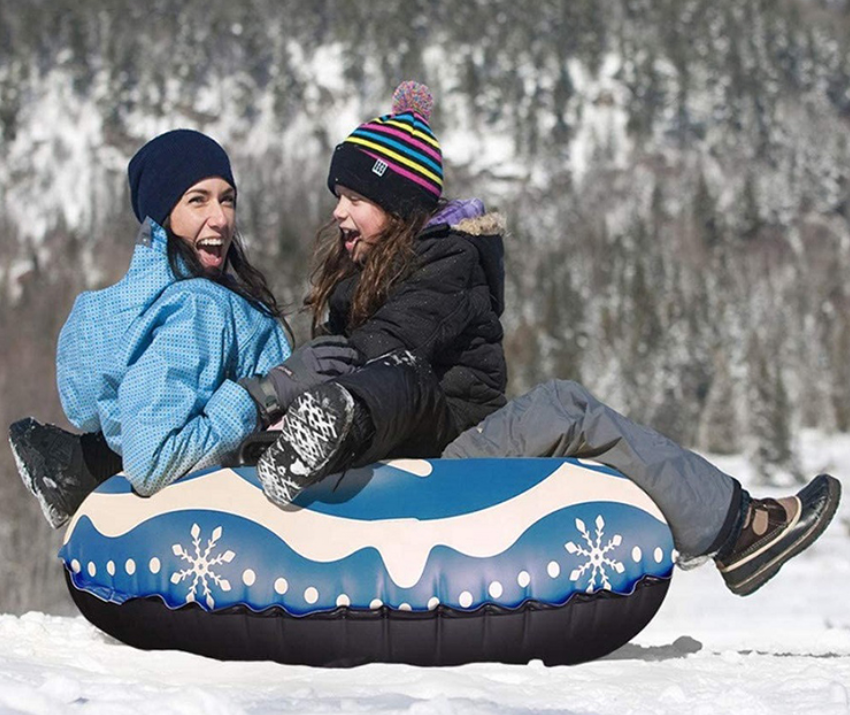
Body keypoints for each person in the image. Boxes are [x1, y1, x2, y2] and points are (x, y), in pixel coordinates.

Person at [238, 81, 507, 504]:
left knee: (403, 373)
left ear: (397, 208)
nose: (338, 211)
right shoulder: (363, 266)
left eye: (355, 199)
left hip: (456, 425)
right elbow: (337, 347)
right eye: (340, 196)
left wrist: (318, 390)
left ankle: (326, 427)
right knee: (361, 371)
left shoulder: (451, 260)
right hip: (389, 414)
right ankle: (302, 434)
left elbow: (392, 341)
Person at [11, 129, 295, 527]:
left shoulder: (171, 301)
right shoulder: (198, 307)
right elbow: (154, 460)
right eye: (198, 200)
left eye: (227, 199)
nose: (221, 218)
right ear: (165, 215)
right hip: (229, 535)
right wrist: (255, 398)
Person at [441, 379, 842, 596]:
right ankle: (737, 529)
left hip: (429, 445)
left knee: (561, 410)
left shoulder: (417, 247)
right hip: (421, 463)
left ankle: (730, 525)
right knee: (563, 410)